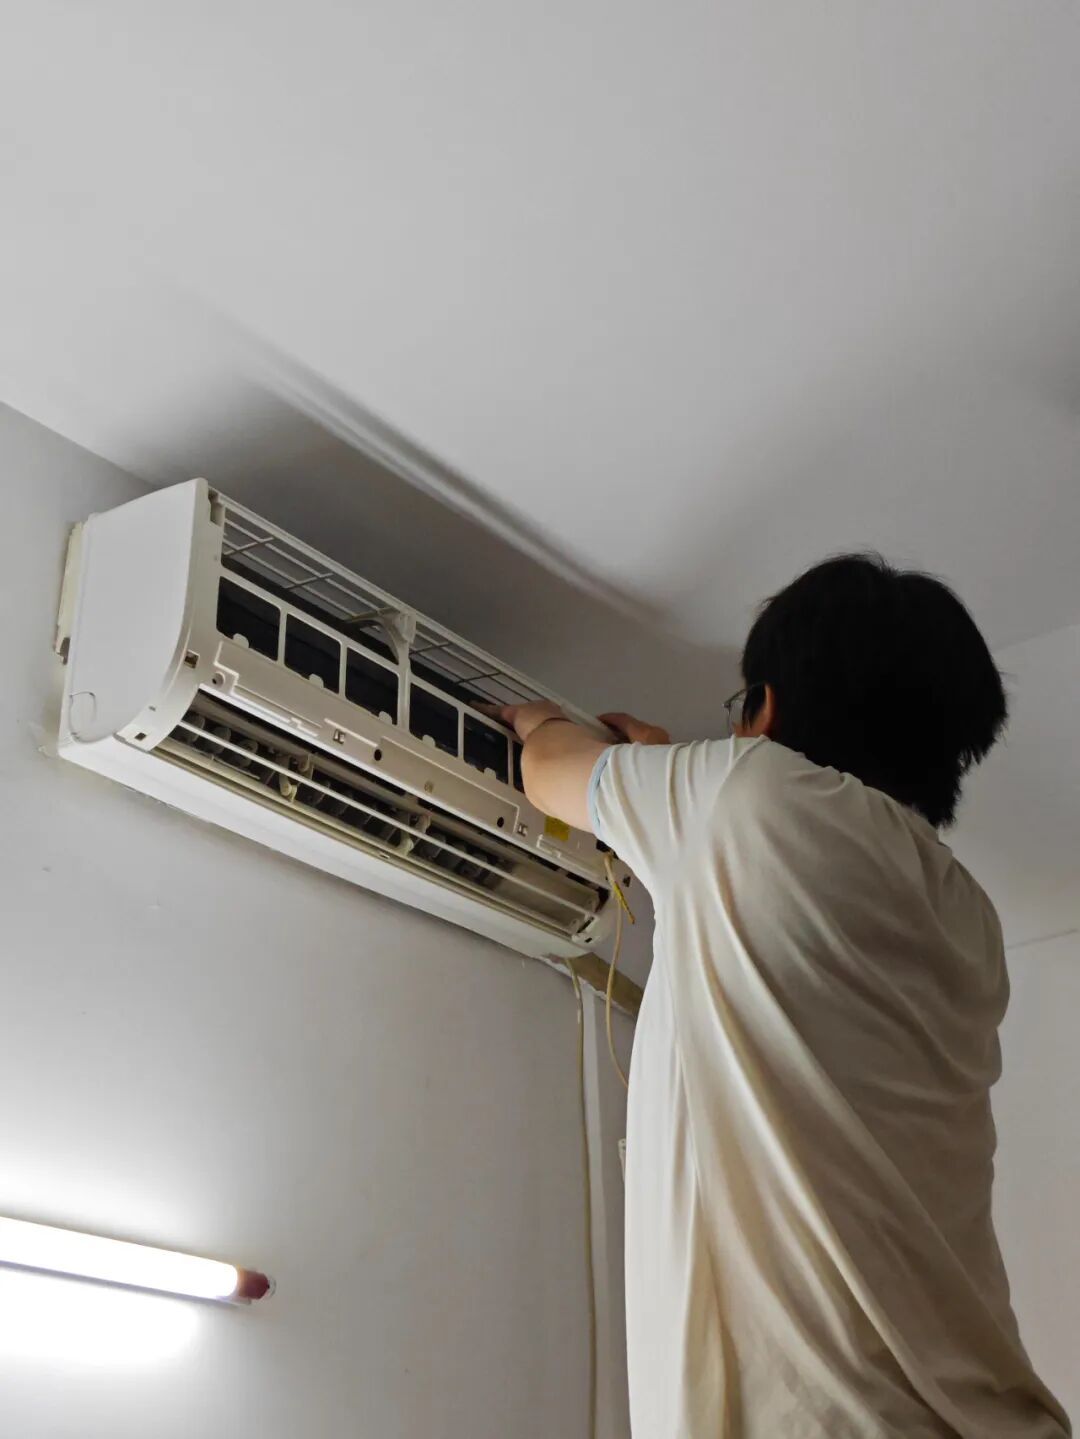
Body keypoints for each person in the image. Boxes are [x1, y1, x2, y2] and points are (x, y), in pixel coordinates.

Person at [495, 554, 1071, 1439]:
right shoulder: (967, 915)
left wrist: (536, 719)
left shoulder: (746, 796)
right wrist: (675, 782)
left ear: (767, 709)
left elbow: (551, 768)